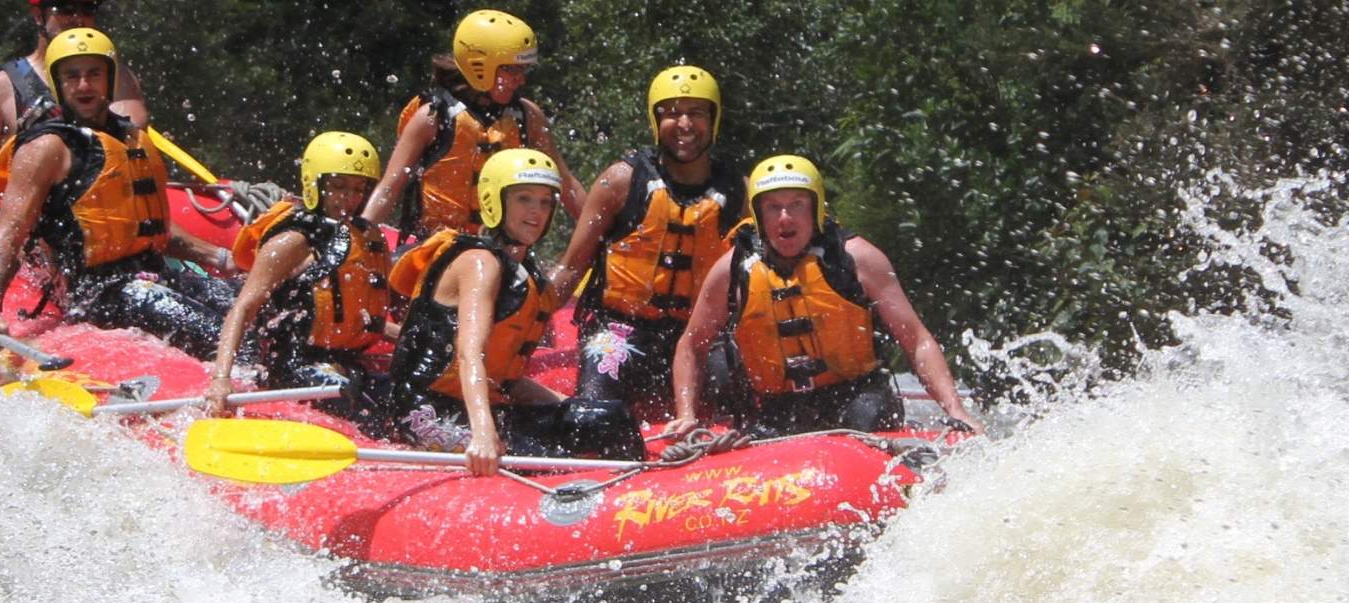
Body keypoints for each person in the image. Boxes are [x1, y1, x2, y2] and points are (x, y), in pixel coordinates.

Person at [659, 156, 982, 439]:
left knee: (868, 416)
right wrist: (687, 414)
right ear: (758, 214)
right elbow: (692, 345)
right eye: (773, 207)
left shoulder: (858, 259)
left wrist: (955, 410)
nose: (785, 217)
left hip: (856, 397)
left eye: (796, 204)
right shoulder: (732, 270)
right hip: (777, 408)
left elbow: (916, 339)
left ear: (815, 208)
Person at [0, 28, 239, 356]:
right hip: (98, 293)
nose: (84, 85)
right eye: (72, 76)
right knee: (227, 338)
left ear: (110, 79)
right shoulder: (46, 148)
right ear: (58, 83)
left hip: (152, 274)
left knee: (252, 309)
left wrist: (224, 258)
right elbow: (10, 235)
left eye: (94, 74)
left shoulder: (131, 139)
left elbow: (151, 231)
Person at [381, 149, 639, 476]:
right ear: (495, 201)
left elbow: (504, 380)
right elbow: (469, 354)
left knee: (610, 419)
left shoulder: (524, 271)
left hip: (483, 405)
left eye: (545, 202)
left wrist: (569, 405)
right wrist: (484, 433)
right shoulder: (480, 263)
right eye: (524, 199)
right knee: (544, 456)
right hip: (422, 410)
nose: (536, 211)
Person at [553, 65, 741, 424]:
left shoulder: (739, 192)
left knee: (742, 402)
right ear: (655, 121)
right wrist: (522, 320)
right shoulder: (620, 182)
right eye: (671, 113)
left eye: (696, 113)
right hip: (622, 332)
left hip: (698, 338)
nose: (684, 124)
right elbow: (570, 267)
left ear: (713, 119)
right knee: (593, 419)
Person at [0, 0, 152, 269]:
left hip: (102, 220)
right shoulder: (2, 87)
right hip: (31, 224)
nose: (78, 18)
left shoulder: (115, 77)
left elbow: (134, 133)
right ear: (38, 15)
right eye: (65, 9)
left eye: (87, 8)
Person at [203, 132, 398, 420]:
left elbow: (360, 317)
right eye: (338, 186)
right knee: (369, 415)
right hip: (294, 364)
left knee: (402, 405)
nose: (349, 198)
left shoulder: (364, 237)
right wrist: (221, 379)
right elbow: (243, 308)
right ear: (315, 183)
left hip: (346, 362)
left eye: (359, 189)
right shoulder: (293, 240)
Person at [357, 9, 581, 245]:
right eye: (512, 69)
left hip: (503, 248)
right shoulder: (432, 117)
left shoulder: (528, 116)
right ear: (480, 66)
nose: (521, 79)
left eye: (523, 70)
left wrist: (600, 236)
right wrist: (358, 239)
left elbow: (567, 186)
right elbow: (389, 188)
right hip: (436, 248)